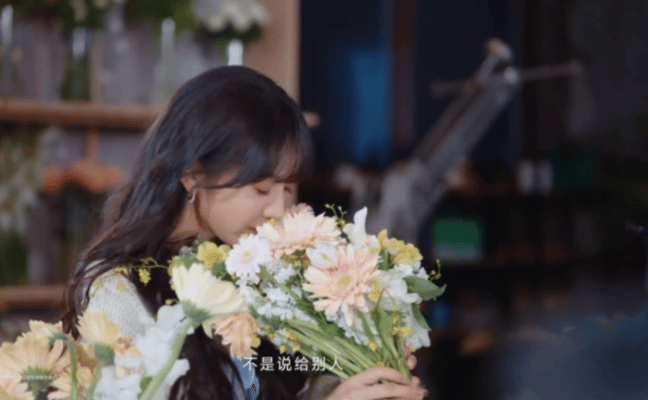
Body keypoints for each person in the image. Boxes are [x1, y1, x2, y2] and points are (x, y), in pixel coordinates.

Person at [60, 66, 427, 400]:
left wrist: (360, 379)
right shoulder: (118, 292)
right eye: (262, 189)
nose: (278, 210)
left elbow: (270, 387)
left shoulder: (249, 267)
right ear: (193, 173)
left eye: (287, 188)